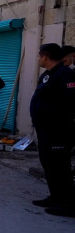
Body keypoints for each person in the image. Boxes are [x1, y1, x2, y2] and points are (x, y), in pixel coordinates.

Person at [29, 43, 75, 217]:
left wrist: (53, 118)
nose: (39, 59)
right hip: (45, 129)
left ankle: (69, 204)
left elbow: (69, 103)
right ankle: (55, 197)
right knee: (48, 164)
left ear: (46, 56)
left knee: (61, 167)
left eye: (40, 56)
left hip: (59, 130)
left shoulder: (66, 75)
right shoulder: (48, 75)